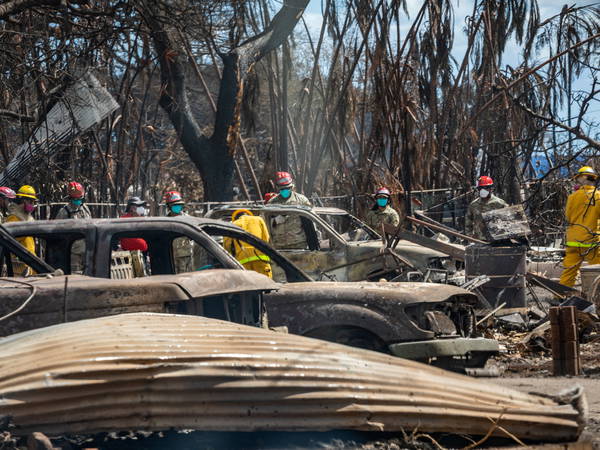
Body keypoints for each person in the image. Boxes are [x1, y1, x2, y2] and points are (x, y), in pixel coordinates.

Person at [559, 166, 600, 287]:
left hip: (573, 242)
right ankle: (595, 297)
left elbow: (568, 217)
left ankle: (560, 297)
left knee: (569, 271)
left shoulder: (572, 197)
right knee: (596, 272)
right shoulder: (598, 196)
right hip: (592, 242)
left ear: (580, 179)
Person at [54, 181, 91, 273]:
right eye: (76, 199)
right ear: (70, 198)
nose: (78, 201)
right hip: (73, 253)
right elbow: (56, 232)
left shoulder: (85, 209)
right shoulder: (64, 212)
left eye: (80, 199)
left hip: (86, 251)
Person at [267, 172, 311, 249]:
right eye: (282, 189)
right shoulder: (272, 203)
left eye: (287, 188)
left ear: (291, 187)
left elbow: (311, 221)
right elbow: (266, 223)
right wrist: (275, 221)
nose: (285, 191)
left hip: (299, 244)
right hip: (279, 246)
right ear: (278, 188)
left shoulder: (301, 200)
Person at [224, 209, 272, 278]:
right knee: (266, 284)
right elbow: (266, 238)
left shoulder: (232, 224)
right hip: (261, 259)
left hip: (243, 262)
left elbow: (227, 245)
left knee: (248, 285)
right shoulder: (258, 220)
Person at [6, 185, 38, 275]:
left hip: (30, 264)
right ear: (23, 201)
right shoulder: (14, 218)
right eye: (31, 202)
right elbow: (11, 242)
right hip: (20, 269)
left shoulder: (26, 218)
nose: (32, 205)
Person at [465, 176, 508, 241]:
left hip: (497, 240)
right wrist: (470, 237)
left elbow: (508, 221)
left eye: (485, 188)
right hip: (479, 240)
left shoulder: (500, 203)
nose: (482, 190)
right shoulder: (473, 205)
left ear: (491, 188)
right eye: (480, 188)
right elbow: (468, 222)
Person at [164, 190, 194, 273]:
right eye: (174, 205)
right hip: (171, 256)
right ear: (169, 207)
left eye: (179, 205)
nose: (177, 207)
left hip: (185, 256)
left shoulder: (188, 219)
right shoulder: (165, 221)